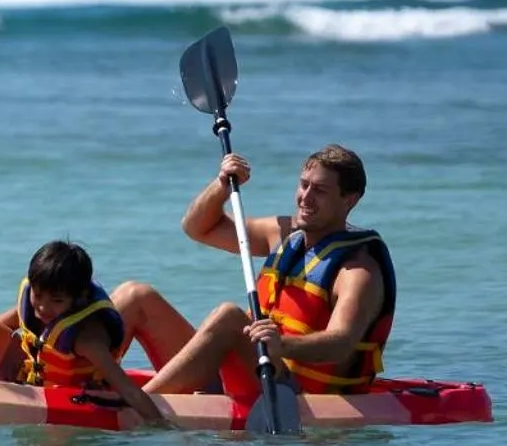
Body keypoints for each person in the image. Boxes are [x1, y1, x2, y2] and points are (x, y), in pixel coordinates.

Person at [141, 144, 396, 399]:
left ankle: (135, 406)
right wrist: (222, 186)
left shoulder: (357, 271)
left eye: (319, 190)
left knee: (229, 316)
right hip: (253, 370)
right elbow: (197, 227)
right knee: (138, 296)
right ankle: (102, 377)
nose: (305, 197)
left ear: (349, 200)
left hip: (296, 393)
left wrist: (281, 345)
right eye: (304, 184)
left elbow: (341, 342)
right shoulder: (284, 233)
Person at [0, 241, 164, 423]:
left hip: (66, 391)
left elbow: (129, 390)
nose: (43, 307)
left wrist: (161, 428)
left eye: (57, 300)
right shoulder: (38, 302)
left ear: (79, 298)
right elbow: (4, 325)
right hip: (27, 373)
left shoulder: (86, 338)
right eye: (38, 295)